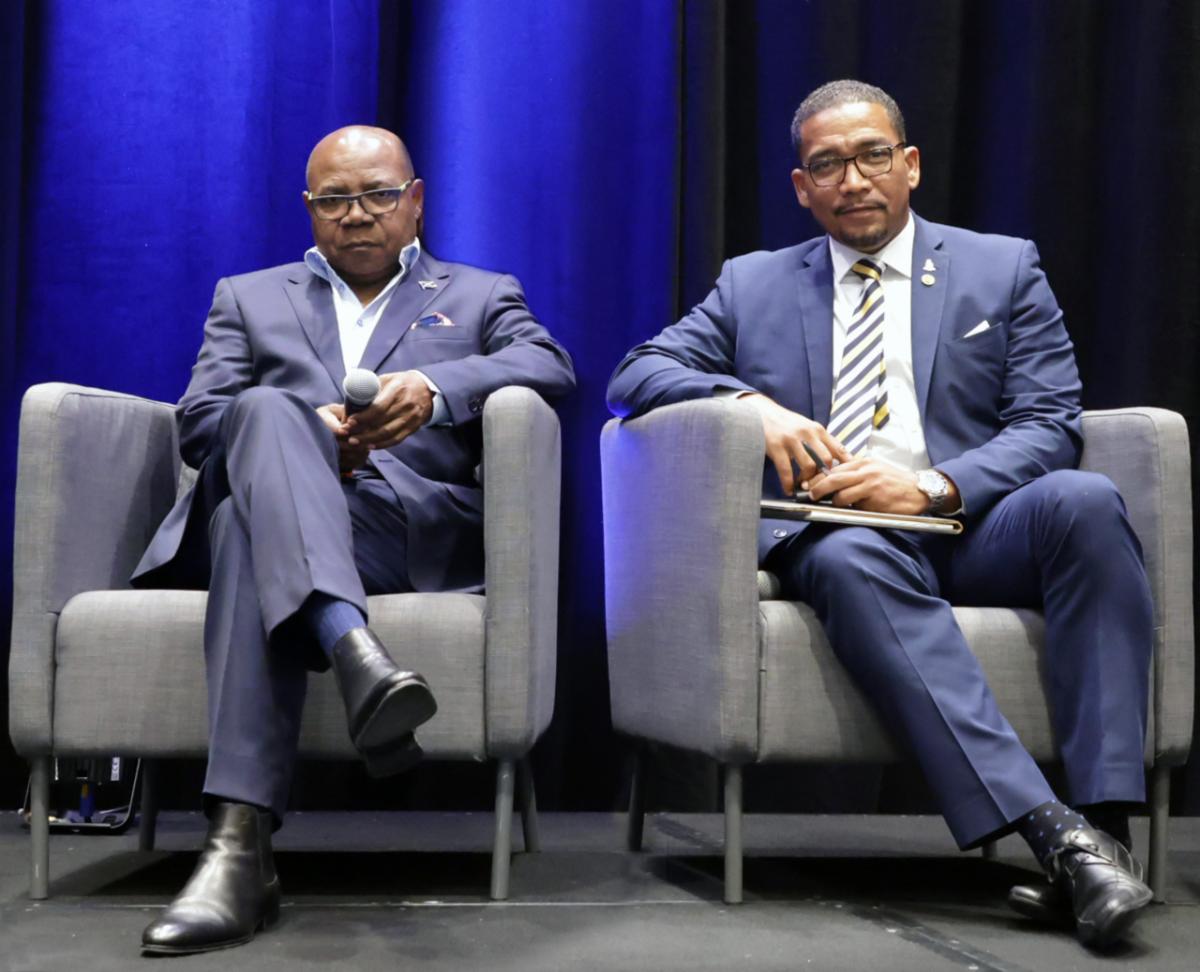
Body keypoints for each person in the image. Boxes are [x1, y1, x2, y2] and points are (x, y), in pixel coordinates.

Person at [607, 80, 1153, 950]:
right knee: (846, 557)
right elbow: (635, 372)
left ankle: (1109, 825)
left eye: (872, 156)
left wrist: (932, 488)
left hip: (972, 522)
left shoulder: (1000, 267)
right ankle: (1060, 840)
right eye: (828, 165)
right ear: (802, 187)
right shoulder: (753, 284)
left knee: (1086, 500)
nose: (853, 180)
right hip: (838, 533)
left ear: (911, 165)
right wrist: (749, 403)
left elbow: (1050, 421)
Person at [132, 125, 575, 954]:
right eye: (334, 200)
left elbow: (549, 365)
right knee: (265, 415)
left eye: (377, 195)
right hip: (277, 498)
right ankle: (352, 651)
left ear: (415, 201)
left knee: (243, 531)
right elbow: (199, 424)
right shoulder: (249, 297)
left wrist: (434, 388)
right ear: (309, 209)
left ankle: (237, 853)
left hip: (396, 528)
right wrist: (306, 436)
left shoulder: (479, 294)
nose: (357, 214)